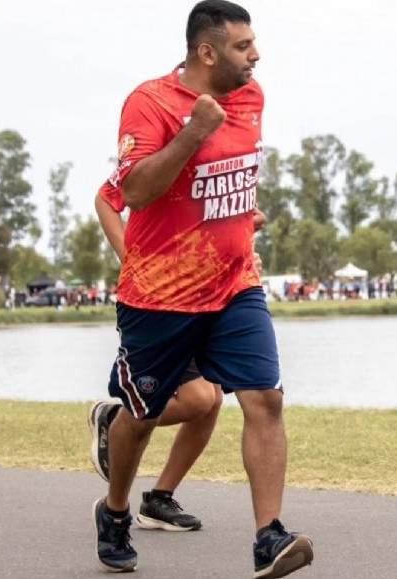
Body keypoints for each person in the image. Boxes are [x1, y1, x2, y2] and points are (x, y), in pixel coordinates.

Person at [91, 2, 313, 578]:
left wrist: (242, 217)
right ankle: (115, 511)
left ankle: (269, 537)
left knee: (264, 399)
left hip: (235, 283)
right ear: (206, 52)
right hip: (160, 294)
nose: (256, 56)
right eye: (244, 47)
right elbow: (135, 192)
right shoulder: (151, 102)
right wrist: (193, 131)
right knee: (138, 419)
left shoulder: (253, 98)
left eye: (254, 44)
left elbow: (219, 185)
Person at [89, 191, 266, 534]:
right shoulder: (164, 158)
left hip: (215, 297)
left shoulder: (227, 164)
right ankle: (117, 421)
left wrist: (245, 246)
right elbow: (107, 198)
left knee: (212, 401)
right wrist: (134, 263)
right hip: (167, 301)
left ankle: (159, 498)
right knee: (198, 399)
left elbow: (220, 227)